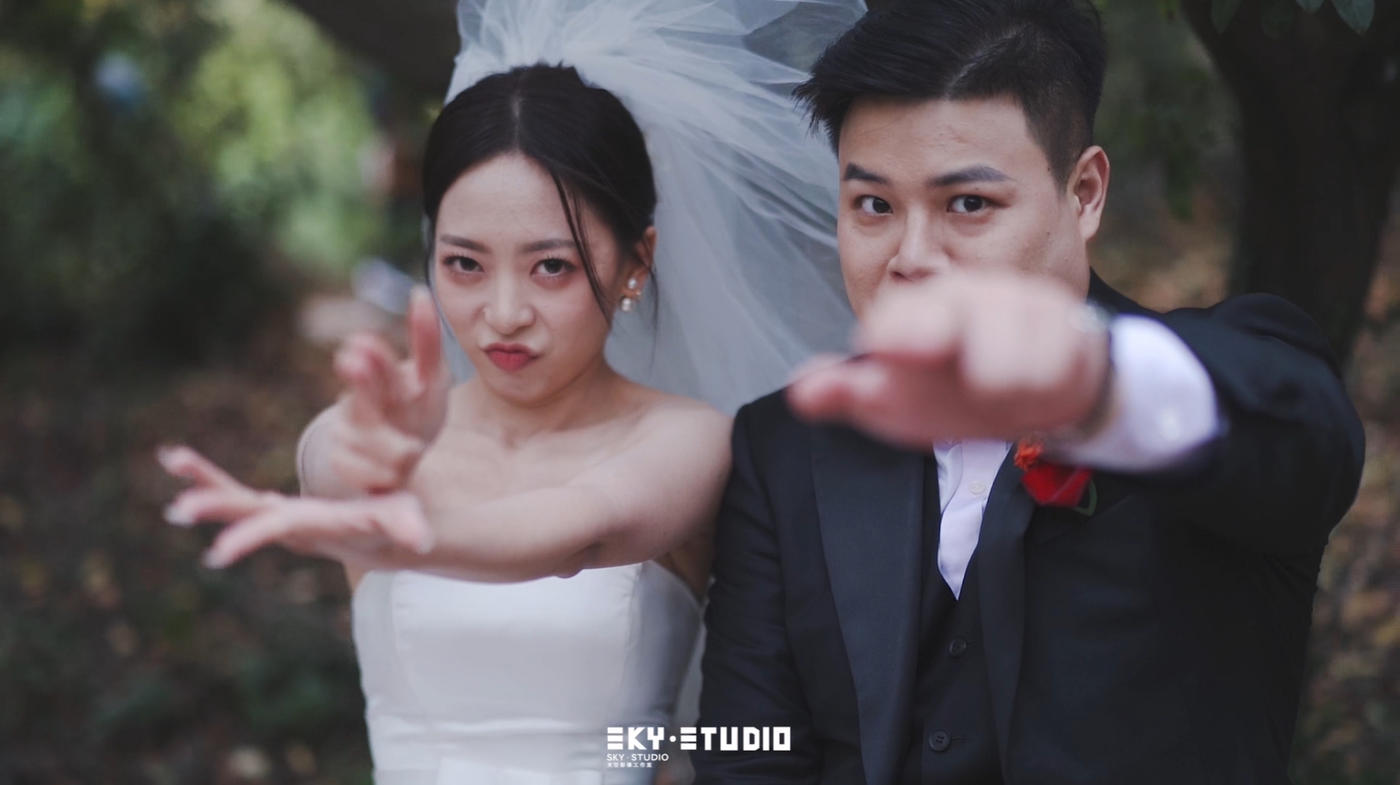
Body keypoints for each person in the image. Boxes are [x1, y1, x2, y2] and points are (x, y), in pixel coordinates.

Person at [159, 1, 863, 782]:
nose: (502, 314)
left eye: (551, 266)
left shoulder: (690, 440)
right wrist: (345, 466)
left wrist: (639, 749)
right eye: (464, 263)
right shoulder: (375, 442)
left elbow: (579, 529)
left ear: (636, 262)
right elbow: (330, 466)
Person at [693, 1, 1366, 784]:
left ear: (1084, 194)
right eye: (874, 205)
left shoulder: (1186, 392)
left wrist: (1096, 386)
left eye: (968, 204)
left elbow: (1307, 440)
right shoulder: (783, 446)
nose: (911, 257)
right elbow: (746, 752)